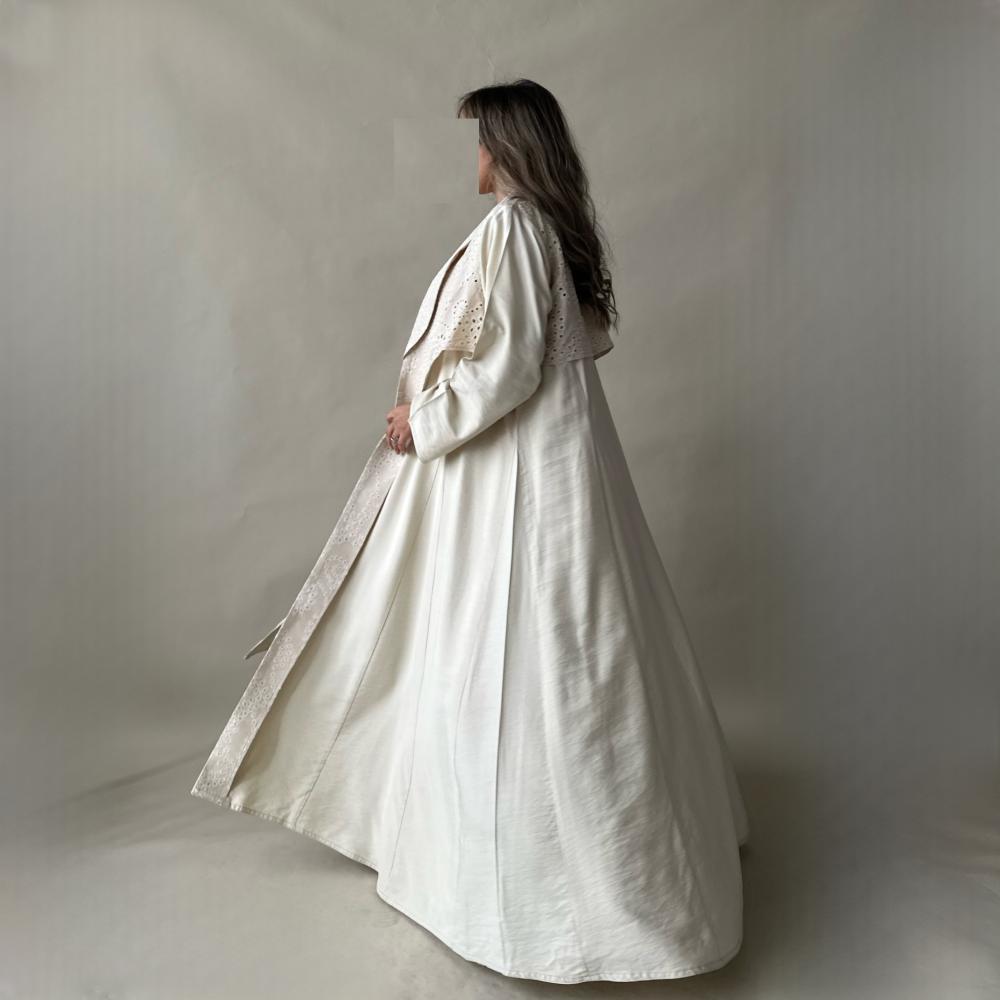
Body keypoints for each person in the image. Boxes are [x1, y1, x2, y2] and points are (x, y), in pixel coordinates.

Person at [192, 78, 749, 985]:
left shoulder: (514, 231)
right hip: (544, 463)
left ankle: (557, 893)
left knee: (520, 645)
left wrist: (424, 420)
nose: (475, 156)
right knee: (567, 645)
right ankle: (597, 852)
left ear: (509, 149)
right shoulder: (539, 231)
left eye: (482, 139)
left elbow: (509, 365)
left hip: (519, 474)